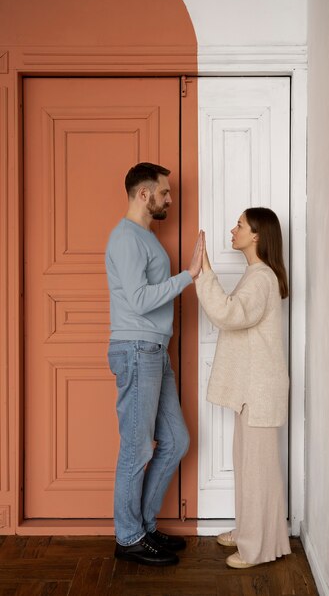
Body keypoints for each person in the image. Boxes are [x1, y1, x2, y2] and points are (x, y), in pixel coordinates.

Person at [105, 162, 203, 566]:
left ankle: (142, 526)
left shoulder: (144, 237)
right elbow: (141, 301)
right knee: (137, 448)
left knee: (175, 441)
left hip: (153, 351)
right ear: (143, 194)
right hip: (137, 349)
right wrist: (188, 276)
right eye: (164, 193)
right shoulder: (126, 238)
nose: (169, 199)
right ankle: (128, 538)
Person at [195, 207, 291, 568]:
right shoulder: (258, 275)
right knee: (250, 466)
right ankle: (254, 531)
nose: (232, 230)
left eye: (239, 225)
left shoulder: (261, 278)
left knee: (257, 470)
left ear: (256, 236)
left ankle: (257, 547)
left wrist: (204, 272)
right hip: (253, 390)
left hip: (259, 391)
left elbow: (229, 314)